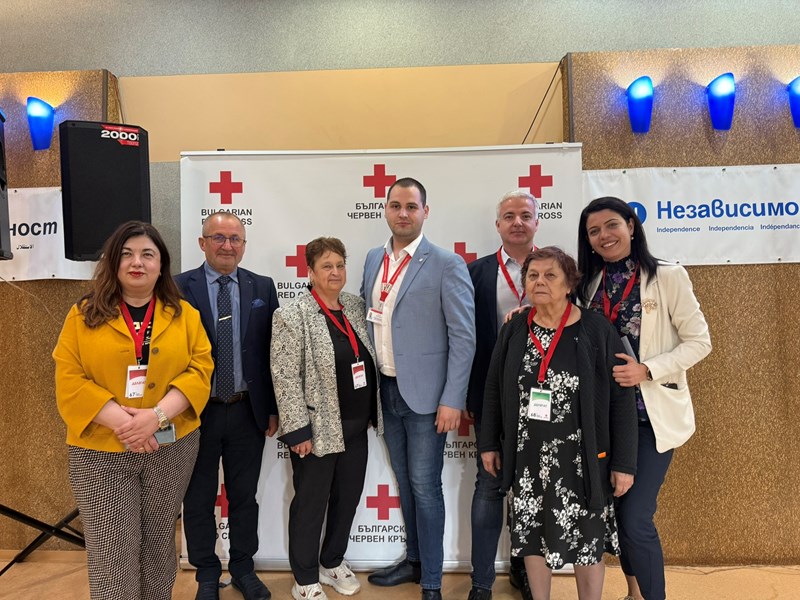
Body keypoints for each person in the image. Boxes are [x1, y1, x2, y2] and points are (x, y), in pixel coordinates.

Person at [53, 221, 213, 600]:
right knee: (112, 551)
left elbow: (200, 370)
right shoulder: (82, 315)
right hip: (100, 452)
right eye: (126, 254)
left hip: (170, 447)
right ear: (113, 262)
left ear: (161, 265)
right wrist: (127, 424)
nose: (136, 262)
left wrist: (154, 418)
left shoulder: (185, 315)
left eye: (147, 254)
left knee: (158, 546)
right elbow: (69, 379)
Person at [479, 246, 638, 600]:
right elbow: (493, 388)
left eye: (550, 275)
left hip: (582, 462)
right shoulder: (514, 329)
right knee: (532, 538)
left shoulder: (596, 330)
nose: (540, 282)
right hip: (528, 460)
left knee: (587, 541)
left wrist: (625, 464)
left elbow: (621, 399)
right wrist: (488, 443)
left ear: (569, 284)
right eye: (533, 276)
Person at [576, 197, 711, 600]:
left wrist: (647, 369)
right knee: (618, 517)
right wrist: (523, 315)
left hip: (649, 417)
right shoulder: (588, 284)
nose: (604, 236)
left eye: (612, 225)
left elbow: (699, 342)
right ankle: (634, 593)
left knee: (635, 518)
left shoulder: (667, 276)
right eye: (594, 231)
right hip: (604, 420)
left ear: (631, 227)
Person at [361, 177, 476, 600]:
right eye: (396, 205)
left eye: (412, 206)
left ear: (425, 212)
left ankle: (431, 581)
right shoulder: (373, 259)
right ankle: (413, 561)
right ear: (385, 210)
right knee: (406, 482)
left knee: (426, 487)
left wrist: (452, 398)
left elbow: (463, 336)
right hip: (386, 391)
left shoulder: (446, 263)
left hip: (429, 400)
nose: (403, 213)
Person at [176, 212, 279, 600]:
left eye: (235, 239)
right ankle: (206, 573)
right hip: (195, 413)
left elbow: (272, 353)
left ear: (244, 245)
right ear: (202, 243)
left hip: (246, 411)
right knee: (198, 498)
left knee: (244, 497)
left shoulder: (262, 286)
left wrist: (273, 408)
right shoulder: (177, 287)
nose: (227, 245)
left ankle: (243, 568)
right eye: (218, 237)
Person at [271, 237, 381, 600]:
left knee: (347, 499)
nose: (335, 272)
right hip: (316, 430)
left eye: (340, 265)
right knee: (311, 504)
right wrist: (297, 430)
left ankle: (331, 561)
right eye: (326, 266)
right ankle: (304, 579)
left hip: (356, 427)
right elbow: (285, 376)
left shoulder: (354, 306)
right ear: (310, 272)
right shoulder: (292, 314)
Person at [466, 189, 539, 600]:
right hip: (491, 396)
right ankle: (481, 583)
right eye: (509, 216)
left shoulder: (558, 269)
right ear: (497, 225)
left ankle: (524, 570)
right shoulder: (475, 273)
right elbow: (464, 340)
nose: (517, 222)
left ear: (536, 222)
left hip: (546, 395)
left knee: (532, 487)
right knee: (490, 484)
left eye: (525, 215)